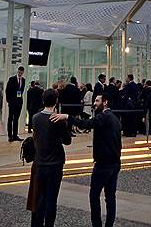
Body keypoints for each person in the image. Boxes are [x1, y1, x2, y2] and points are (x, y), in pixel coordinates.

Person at [51, 93, 122, 227]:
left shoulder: (104, 117)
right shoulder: (114, 119)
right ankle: (109, 224)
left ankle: (97, 225)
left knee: (94, 196)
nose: (94, 103)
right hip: (114, 163)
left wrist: (68, 117)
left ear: (105, 102)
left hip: (103, 164)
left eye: (97, 101)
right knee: (110, 197)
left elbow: (86, 124)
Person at [30, 88, 72, 227]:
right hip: (55, 163)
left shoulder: (35, 118)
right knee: (51, 199)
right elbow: (67, 140)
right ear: (56, 101)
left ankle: (37, 223)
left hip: (40, 162)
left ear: (43, 100)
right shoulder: (57, 120)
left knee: (40, 196)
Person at [6, 66, 26, 142]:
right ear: (17, 71)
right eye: (19, 72)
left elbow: (21, 91)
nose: (20, 74)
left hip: (19, 102)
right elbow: (7, 90)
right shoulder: (12, 79)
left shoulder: (23, 80)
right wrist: (9, 101)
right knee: (10, 118)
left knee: (16, 119)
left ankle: (15, 135)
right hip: (12, 102)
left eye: (21, 73)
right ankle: (10, 136)